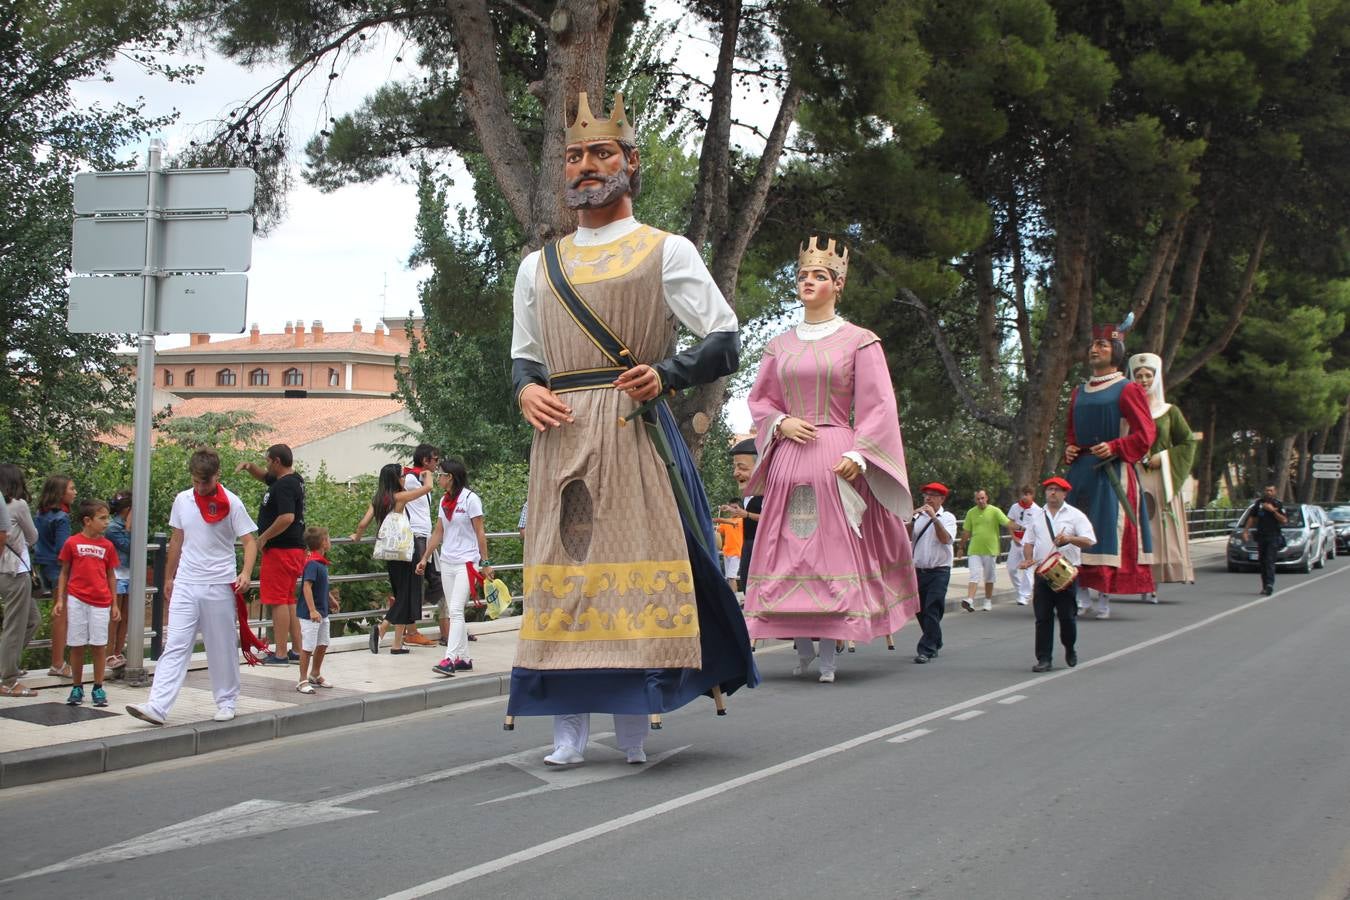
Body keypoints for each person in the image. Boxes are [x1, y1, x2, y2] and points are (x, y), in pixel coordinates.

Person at [507, 90, 756, 765]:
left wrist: (668, 374)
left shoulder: (664, 250)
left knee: (628, 565)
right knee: (565, 566)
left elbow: (725, 337)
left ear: (630, 161)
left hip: (630, 423)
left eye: (601, 153)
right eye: (575, 156)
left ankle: (631, 723)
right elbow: (524, 355)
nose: (586, 166)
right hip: (559, 437)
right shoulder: (539, 265)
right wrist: (527, 390)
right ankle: (565, 730)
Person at [743, 236, 919, 683]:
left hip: (836, 455)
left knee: (832, 549)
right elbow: (761, 400)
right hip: (789, 458)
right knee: (787, 547)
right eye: (803, 275)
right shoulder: (778, 345)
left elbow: (879, 407)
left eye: (819, 276)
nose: (808, 281)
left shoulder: (859, 341)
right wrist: (780, 422)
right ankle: (799, 642)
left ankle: (830, 648)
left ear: (838, 284)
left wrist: (860, 455)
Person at [127, 448, 259, 726]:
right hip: (186, 582)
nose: (200, 487)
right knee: (174, 644)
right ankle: (157, 706)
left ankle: (226, 701)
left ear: (217, 476)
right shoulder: (183, 500)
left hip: (219, 584)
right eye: (197, 481)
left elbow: (250, 541)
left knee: (220, 646)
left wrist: (246, 573)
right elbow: (177, 539)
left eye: (206, 482)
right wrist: (168, 577)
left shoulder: (232, 503)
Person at [1063, 314, 1156, 619]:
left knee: (1104, 531)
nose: (1094, 349)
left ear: (1115, 351)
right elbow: (1071, 430)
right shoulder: (1079, 390)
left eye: (1102, 345)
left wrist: (1116, 446)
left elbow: (1145, 433)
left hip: (1111, 472)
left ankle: (1103, 596)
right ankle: (1078, 592)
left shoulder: (1127, 389)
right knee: (1072, 529)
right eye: (1093, 344)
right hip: (1081, 471)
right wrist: (1071, 447)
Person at [1127, 352, 1197, 596]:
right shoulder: (1127, 411)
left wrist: (1163, 457)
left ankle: (1157, 578)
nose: (1144, 380)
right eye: (1139, 375)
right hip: (1134, 475)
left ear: (1156, 378)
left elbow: (1187, 442)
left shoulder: (1170, 412)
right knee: (1135, 529)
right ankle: (1139, 578)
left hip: (1161, 478)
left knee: (1159, 530)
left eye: (1148, 375)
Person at [418, 458, 492, 676]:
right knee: (452, 610)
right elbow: (439, 532)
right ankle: (465, 658)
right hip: (448, 562)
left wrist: (485, 562)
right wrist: (425, 557)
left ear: (450, 477)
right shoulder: (444, 501)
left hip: (467, 562)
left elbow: (480, 532)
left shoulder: (471, 499)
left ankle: (449, 658)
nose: (438, 477)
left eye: (440, 474)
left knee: (457, 610)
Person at [351, 463, 434, 654]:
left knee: (400, 594)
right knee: (406, 594)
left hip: (390, 553)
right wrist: (427, 473)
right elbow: (428, 488)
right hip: (405, 551)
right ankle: (381, 629)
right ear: (396, 479)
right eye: (402, 476)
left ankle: (397, 644)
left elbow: (363, 522)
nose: (404, 478)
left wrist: (356, 536)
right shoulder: (399, 497)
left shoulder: (378, 500)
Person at [238, 444, 307, 665]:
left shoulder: (285, 485)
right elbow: (264, 476)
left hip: (281, 550)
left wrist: (263, 537)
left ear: (277, 461)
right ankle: (296, 650)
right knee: (288, 600)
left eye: (268, 461)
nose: (266, 465)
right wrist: (249, 466)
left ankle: (280, 653)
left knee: (278, 601)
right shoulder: (289, 479)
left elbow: (286, 517)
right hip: (291, 549)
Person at [1019, 477, 1096, 672]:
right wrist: (1028, 559)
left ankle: (1069, 647)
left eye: (1056, 490)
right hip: (1042, 572)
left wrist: (1069, 538)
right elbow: (1028, 541)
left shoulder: (1075, 515)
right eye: (1049, 489)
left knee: (1067, 616)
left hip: (1066, 573)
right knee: (1042, 617)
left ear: (1064, 493)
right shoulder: (1036, 516)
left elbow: (1089, 540)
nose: (1052, 492)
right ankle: (1044, 658)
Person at [53, 499, 120, 706]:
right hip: (77, 599)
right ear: (87, 521)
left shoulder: (107, 546)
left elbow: (111, 575)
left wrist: (114, 603)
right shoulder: (72, 543)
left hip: (101, 601)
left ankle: (98, 687)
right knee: (76, 644)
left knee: (99, 644)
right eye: (102, 518)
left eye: (107, 517)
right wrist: (60, 599)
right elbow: (64, 572)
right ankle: (76, 686)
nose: (106, 522)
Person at [0, 465, 40, 697]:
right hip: (15, 571)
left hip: (6, 572)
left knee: (33, 619)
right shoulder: (18, 505)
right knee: (15, 626)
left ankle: (7, 665)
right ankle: (9, 679)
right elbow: (33, 536)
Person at [34, 474, 75, 677]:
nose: (74, 493)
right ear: (60, 493)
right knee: (61, 616)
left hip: (42, 566)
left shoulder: (40, 514)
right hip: (59, 570)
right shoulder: (62, 518)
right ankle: (58, 662)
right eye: (71, 489)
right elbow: (63, 549)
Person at [911, 483, 957, 664]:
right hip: (919, 570)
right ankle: (935, 640)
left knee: (932, 608)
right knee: (920, 610)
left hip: (939, 570)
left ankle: (926, 649)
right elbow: (905, 536)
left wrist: (934, 518)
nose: (928, 498)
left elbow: (945, 539)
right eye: (926, 495)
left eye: (933, 495)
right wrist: (911, 517)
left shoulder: (948, 517)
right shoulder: (918, 517)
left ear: (942, 499)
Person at [403, 444, 443, 647]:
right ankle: (410, 629)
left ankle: (403, 608)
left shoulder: (417, 477)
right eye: (435, 459)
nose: (438, 464)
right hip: (416, 535)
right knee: (416, 584)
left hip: (425, 536)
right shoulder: (412, 479)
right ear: (426, 460)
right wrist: (427, 475)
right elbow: (428, 486)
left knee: (437, 581)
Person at [718, 439, 762, 598]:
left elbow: (774, 518)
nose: (736, 473)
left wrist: (747, 515)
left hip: (763, 546)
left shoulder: (772, 494)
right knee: (746, 582)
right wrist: (735, 511)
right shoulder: (748, 496)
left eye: (742, 468)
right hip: (747, 545)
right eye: (735, 467)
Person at [295, 526, 335, 694]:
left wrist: (330, 599)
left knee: (323, 643)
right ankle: (302, 680)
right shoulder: (312, 564)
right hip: (310, 613)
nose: (330, 541)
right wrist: (312, 610)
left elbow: (321, 587)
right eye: (329, 538)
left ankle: (315, 673)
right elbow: (307, 586)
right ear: (323, 542)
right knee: (308, 646)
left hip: (322, 611)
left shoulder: (320, 563)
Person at [960, 489, 1009, 612]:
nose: (980, 501)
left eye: (982, 498)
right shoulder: (971, 512)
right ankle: (970, 600)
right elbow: (966, 532)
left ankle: (987, 600)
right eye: (978, 499)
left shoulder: (995, 511)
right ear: (975, 500)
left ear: (986, 498)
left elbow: (1007, 523)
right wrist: (961, 547)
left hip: (990, 549)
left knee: (989, 577)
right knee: (974, 575)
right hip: (974, 550)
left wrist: (1022, 528)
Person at [1242, 484, 1287, 596]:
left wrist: (1273, 511)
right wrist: (1245, 531)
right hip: (1261, 536)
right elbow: (1252, 518)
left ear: (1274, 492)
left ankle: (1270, 585)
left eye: (1271, 490)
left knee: (1269, 561)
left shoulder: (1277, 504)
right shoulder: (1258, 504)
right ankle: (1265, 586)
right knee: (1262, 562)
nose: (1268, 492)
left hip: (1273, 536)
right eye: (1267, 490)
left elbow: (1284, 520)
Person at [105, 491, 133, 670]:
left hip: (130, 574)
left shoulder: (126, 525)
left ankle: (118, 650)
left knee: (126, 617)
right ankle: (108, 654)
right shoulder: (113, 527)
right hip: (117, 574)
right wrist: (129, 529)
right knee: (115, 617)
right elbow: (130, 546)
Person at [1005, 486, 1040, 606]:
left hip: (1028, 543)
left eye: (1028, 494)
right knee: (1011, 568)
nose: (1025, 496)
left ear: (1032, 495)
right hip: (1016, 541)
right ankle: (1021, 589)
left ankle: (1024, 595)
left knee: (1027, 569)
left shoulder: (1037, 510)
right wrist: (1013, 537)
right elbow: (1010, 523)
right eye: (1023, 494)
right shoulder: (1015, 507)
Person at [712, 509, 744, 591]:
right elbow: (718, 530)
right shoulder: (726, 522)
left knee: (731, 577)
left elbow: (722, 521)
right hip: (726, 552)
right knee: (729, 577)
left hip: (737, 552)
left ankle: (734, 598)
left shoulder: (741, 520)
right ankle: (733, 597)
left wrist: (717, 520)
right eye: (731, 509)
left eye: (735, 508)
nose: (732, 511)